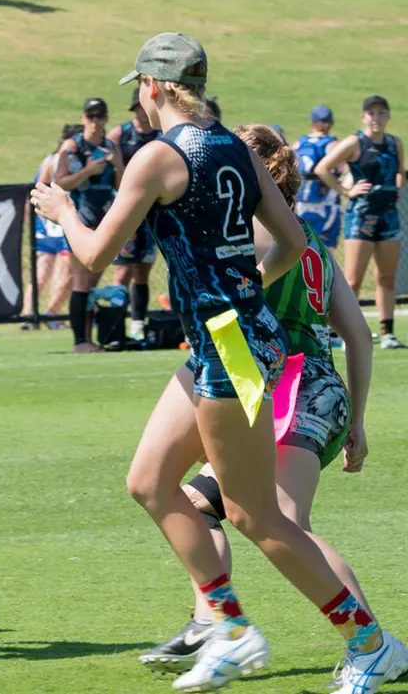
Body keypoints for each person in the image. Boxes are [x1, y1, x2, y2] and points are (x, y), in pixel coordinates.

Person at [33, 34, 405, 693]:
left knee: (255, 514)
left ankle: (369, 642)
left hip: (227, 345)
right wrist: (243, 292)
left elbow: (92, 256)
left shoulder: (158, 156)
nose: (137, 101)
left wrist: (62, 209)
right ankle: (229, 626)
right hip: (235, 337)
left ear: (152, 86)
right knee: (149, 479)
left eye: (138, 89)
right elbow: (292, 240)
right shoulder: (233, 145)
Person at [139, 125, 398, 694]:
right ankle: (214, 623)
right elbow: (357, 333)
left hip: (289, 387)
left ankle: (374, 645)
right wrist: (356, 418)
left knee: (281, 520)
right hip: (287, 385)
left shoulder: (250, 234)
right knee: (197, 503)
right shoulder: (311, 242)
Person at [316, 96, 405, 351]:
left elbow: (399, 170)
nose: (376, 118)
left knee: (386, 278)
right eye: (371, 113)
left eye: (381, 113)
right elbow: (324, 168)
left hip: (389, 216)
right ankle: (344, 333)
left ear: (388, 116)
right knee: (353, 279)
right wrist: (346, 190)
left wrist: (396, 184)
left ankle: (387, 333)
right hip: (361, 217)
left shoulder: (394, 143)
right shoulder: (355, 142)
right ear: (363, 117)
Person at [53, 97, 124, 353]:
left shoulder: (111, 147)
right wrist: (88, 171)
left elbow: (124, 186)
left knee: (93, 282)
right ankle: (80, 342)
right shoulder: (73, 147)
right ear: (83, 118)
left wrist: (117, 168)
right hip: (80, 217)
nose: (95, 122)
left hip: (104, 219)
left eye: (99, 116)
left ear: (106, 119)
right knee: (81, 280)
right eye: (90, 116)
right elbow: (59, 183)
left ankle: (89, 339)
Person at [108, 86, 161, 341]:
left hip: (152, 214)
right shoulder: (121, 134)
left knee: (143, 270)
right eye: (136, 109)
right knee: (121, 271)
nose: (141, 114)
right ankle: (116, 323)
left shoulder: (161, 135)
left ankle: (138, 324)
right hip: (127, 210)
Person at [22, 124, 75, 327]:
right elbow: (38, 186)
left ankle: (43, 314)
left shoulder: (61, 159)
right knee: (50, 270)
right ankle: (38, 314)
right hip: (51, 221)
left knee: (57, 270)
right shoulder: (55, 161)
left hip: (54, 221)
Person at [294, 105, 342, 257]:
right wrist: (345, 190)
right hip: (326, 207)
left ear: (311, 123)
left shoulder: (299, 144)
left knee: (303, 253)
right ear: (330, 123)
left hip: (301, 206)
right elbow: (347, 171)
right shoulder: (333, 145)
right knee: (325, 256)